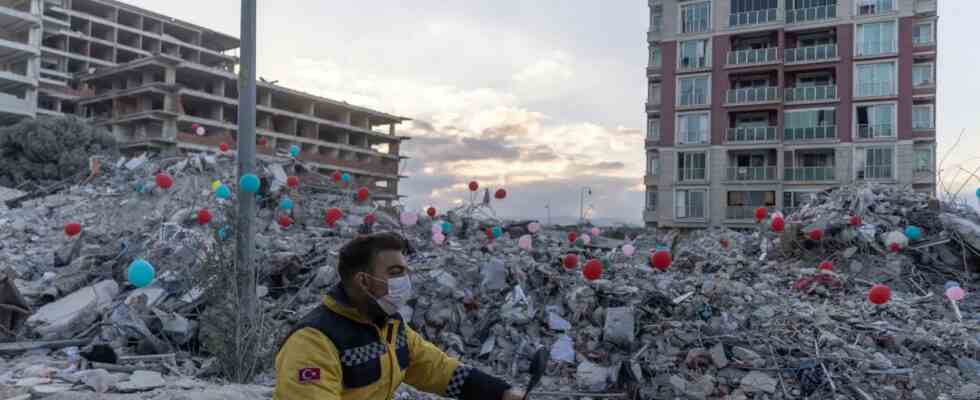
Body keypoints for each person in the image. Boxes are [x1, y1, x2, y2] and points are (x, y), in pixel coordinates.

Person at [274, 232, 525, 400]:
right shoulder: (314, 341)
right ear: (363, 280)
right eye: (395, 272)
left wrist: (501, 393)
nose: (405, 280)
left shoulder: (390, 326)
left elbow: (437, 369)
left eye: (405, 271)